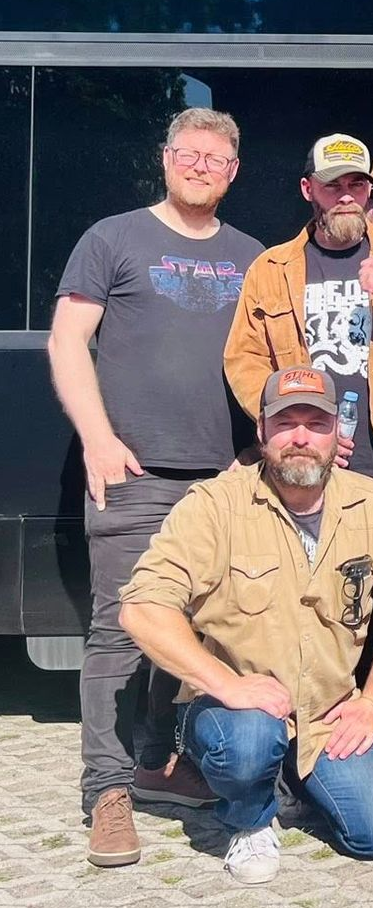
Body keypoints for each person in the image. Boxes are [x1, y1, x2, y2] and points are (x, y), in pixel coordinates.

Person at [48, 107, 263, 868]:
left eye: (215, 158)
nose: (200, 167)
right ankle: (106, 792)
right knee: (119, 631)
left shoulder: (251, 255)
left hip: (223, 480)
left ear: (232, 172)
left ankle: (157, 763)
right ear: (166, 157)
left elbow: (268, 362)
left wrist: (254, 449)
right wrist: (98, 438)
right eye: (188, 153)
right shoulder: (113, 238)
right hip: (133, 475)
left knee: (198, 632)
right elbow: (67, 340)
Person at [116, 366, 373, 885]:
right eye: (285, 423)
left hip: (328, 711)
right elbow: (141, 607)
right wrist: (228, 685)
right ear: (262, 431)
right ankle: (250, 818)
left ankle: (289, 776)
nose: (300, 437)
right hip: (237, 711)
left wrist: (372, 702)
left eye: (316, 423)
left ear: (337, 432)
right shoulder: (215, 505)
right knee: (248, 745)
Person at [223, 132, 373, 522]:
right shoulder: (270, 268)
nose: (346, 197)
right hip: (304, 461)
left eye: (356, 184)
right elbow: (244, 359)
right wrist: (294, 424)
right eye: (332, 185)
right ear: (308, 189)